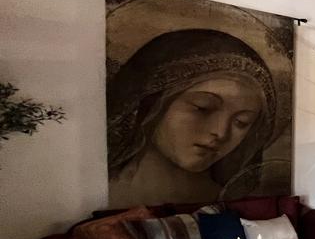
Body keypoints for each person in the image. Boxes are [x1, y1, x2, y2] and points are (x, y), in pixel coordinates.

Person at [107, 29, 278, 206]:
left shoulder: (226, 200)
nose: (221, 133)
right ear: (152, 103)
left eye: (241, 122)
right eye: (203, 108)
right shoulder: (109, 190)